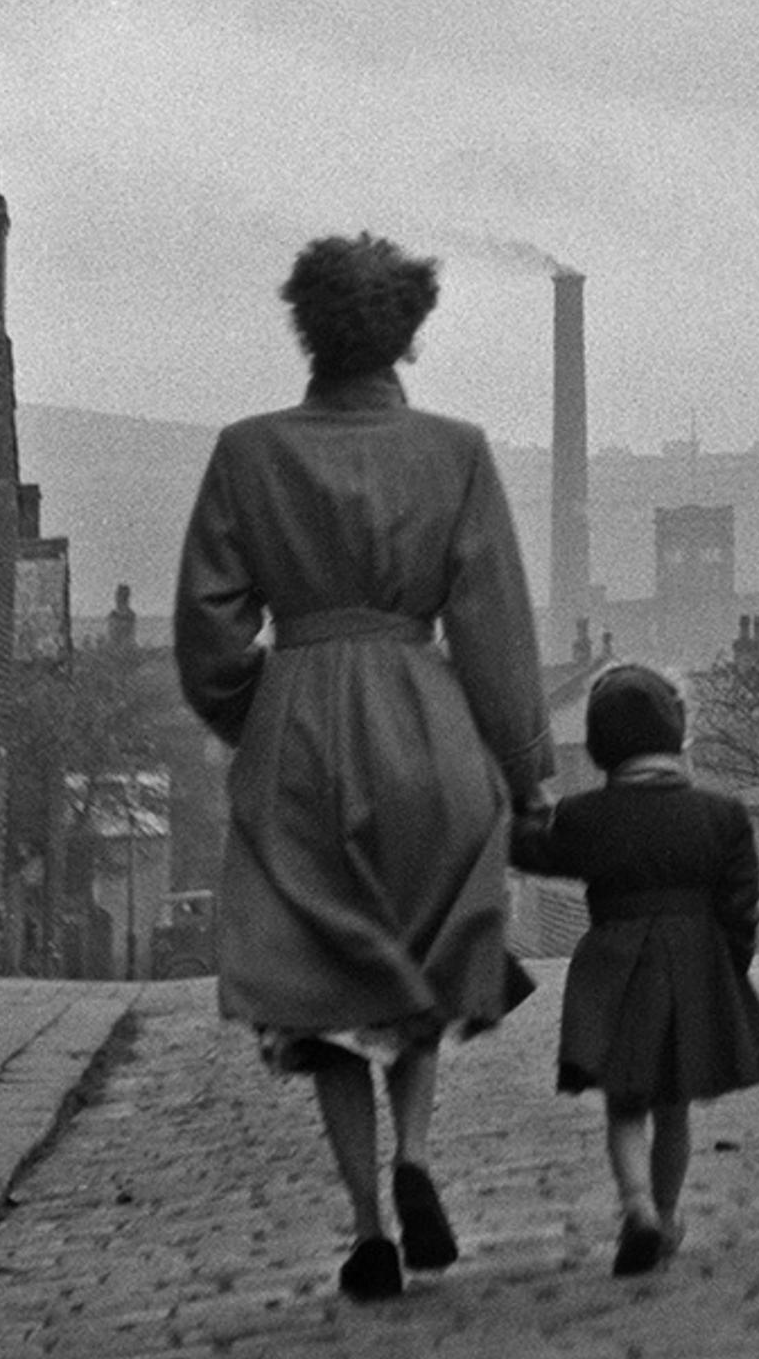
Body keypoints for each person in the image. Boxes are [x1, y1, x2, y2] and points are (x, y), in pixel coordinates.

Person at [176, 233, 547, 1302]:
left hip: (298, 729)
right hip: (426, 733)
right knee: (418, 965)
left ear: (309, 329)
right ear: (409, 333)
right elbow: (494, 633)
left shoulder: (249, 453)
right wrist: (523, 770)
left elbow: (207, 631)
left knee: (318, 991)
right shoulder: (458, 451)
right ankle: (418, 1157)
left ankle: (368, 1228)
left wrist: (261, 707)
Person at [515, 665, 759, 1276]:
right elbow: (740, 906)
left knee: (624, 1104)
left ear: (598, 744)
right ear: (677, 735)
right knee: (674, 1107)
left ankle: (634, 1204)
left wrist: (529, 807)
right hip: (696, 969)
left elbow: (530, 851)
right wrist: (727, 971)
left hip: (615, 971)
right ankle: (666, 1217)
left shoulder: (586, 817)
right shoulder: (723, 816)